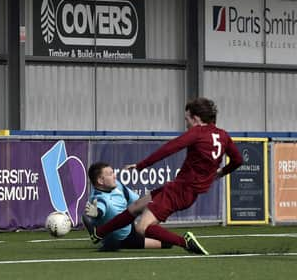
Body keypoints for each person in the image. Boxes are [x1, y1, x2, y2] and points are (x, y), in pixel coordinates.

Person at [86, 97, 243, 255]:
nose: (186, 123)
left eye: (187, 119)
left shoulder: (197, 132)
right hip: (181, 189)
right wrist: (220, 173)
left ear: (196, 118)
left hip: (180, 190)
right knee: (135, 207)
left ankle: (185, 242)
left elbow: (170, 148)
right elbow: (238, 160)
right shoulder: (223, 136)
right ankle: (99, 233)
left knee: (142, 227)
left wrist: (142, 165)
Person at [82, 162, 172, 251]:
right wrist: (96, 213)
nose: (114, 176)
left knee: (163, 234)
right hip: (125, 239)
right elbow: (100, 210)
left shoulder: (117, 185)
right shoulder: (99, 198)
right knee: (167, 243)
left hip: (132, 226)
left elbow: (137, 201)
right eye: (110, 174)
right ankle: (102, 236)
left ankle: (99, 235)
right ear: (100, 181)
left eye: (113, 172)